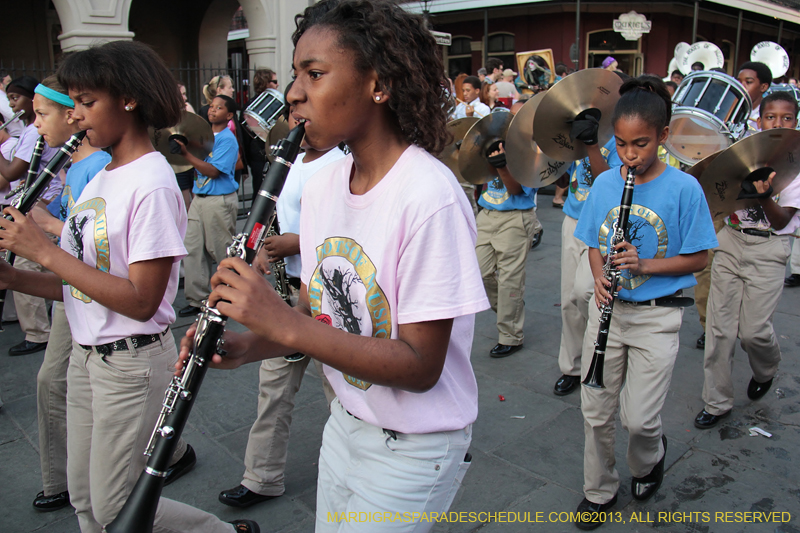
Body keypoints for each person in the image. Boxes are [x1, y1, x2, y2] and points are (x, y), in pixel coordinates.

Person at [178, 1, 488, 531]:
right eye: (296, 74)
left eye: (314, 74)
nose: (293, 93)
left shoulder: (428, 196)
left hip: (413, 446)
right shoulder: (321, 180)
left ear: (379, 84)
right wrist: (251, 343)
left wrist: (281, 321)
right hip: (345, 424)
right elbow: (317, 316)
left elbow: (419, 366)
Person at [0, 41, 256, 533]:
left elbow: (140, 301)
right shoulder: (101, 178)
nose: (75, 116)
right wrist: (15, 276)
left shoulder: (152, 183)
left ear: (129, 99)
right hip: (86, 355)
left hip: (130, 363)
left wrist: (44, 251)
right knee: (85, 499)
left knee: (116, 503)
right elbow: (83, 286)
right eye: (73, 102)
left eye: (86, 101)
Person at [572, 77, 717, 529]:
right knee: (595, 411)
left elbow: (701, 255)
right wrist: (599, 278)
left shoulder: (684, 189)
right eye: (621, 144)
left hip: (657, 317)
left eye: (641, 144)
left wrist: (645, 265)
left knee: (640, 420)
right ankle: (598, 490)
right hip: (609, 313)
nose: (630, 155)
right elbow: (594, 243)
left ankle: (648, 459)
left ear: (664, 136)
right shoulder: (605, 184)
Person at [218, 98, 341, 509]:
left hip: (327, 292)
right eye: (291, 110)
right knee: (272, 388)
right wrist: (262, 250)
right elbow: (272, 213)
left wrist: (299, 241)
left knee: (340, 390)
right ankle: (262, 477)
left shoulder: (341, 163)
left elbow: (349, 231)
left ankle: (354, 470)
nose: (298, 117)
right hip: (287, 289)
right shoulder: (286, 162)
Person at [695, 91, 800, 430]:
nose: (778, 124)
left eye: (786, 118)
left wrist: (765, 195)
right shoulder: (743, 152)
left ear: (795, 123)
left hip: (769, 251)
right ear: (759, 120)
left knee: (753, 332)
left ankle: (766, 368)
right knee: (719, 328)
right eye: (771, 117)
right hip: (731, 241)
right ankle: (716, 401)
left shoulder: (796, 166)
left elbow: (783, 221)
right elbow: (718, 193)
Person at [553, 104, 623, 396]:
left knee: (587, 292)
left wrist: (592, 143)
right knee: (569, 298)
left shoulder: (619, 136)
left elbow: (609, 185)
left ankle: (601, 352)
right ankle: (572, 367)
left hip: (603, 224)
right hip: (573, 218)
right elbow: (559, 175)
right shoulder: (575, 127)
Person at [0, 75, 60, 357]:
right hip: (35, 204)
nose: (13, 106)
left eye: (16, 98)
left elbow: (12, 172)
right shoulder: (31, 131)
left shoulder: (35, 133)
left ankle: (37, 333)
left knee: (28, 266)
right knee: (48, 269)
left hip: (38, 206)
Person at [475, 107, 541, 358]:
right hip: (487, 214)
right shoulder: (493, 142)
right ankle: (510, 307)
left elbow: (515, 190)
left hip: (516, 217)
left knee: (510, 280)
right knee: (480, 274)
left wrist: (503, 165)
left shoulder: (530, 150)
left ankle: (510, 336)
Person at [177, 94, 240, 318]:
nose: (212, 110)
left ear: (229, 115)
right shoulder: (202, 136)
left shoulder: (227, 139)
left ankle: (229, 295)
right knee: (192, 248)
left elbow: (213, 172)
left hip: (219, 200)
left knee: (221, 250)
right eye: (211, 106)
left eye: (219, 108)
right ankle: (198, 299)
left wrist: (186, 155)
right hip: (199, 198)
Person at [737, 61, 772, 135]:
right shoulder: (729, 110)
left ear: (763, 87)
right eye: (739, 82)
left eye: (748, 82)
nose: (741, 86)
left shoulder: (770, 114)